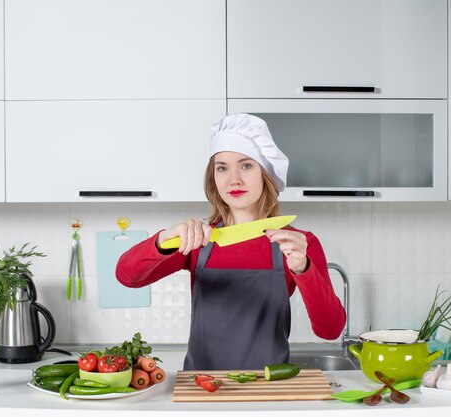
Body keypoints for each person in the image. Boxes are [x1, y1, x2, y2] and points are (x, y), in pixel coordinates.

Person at [116, 113, 346, 370]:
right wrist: (163, 239)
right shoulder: (198, 240)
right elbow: (127, 276)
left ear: (265, 173)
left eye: (246, 165)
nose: (233, 178)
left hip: (268, 390)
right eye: (222, 168)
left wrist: (303, 269)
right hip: (201, 387)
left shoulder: (297, 244)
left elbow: (330, 330)